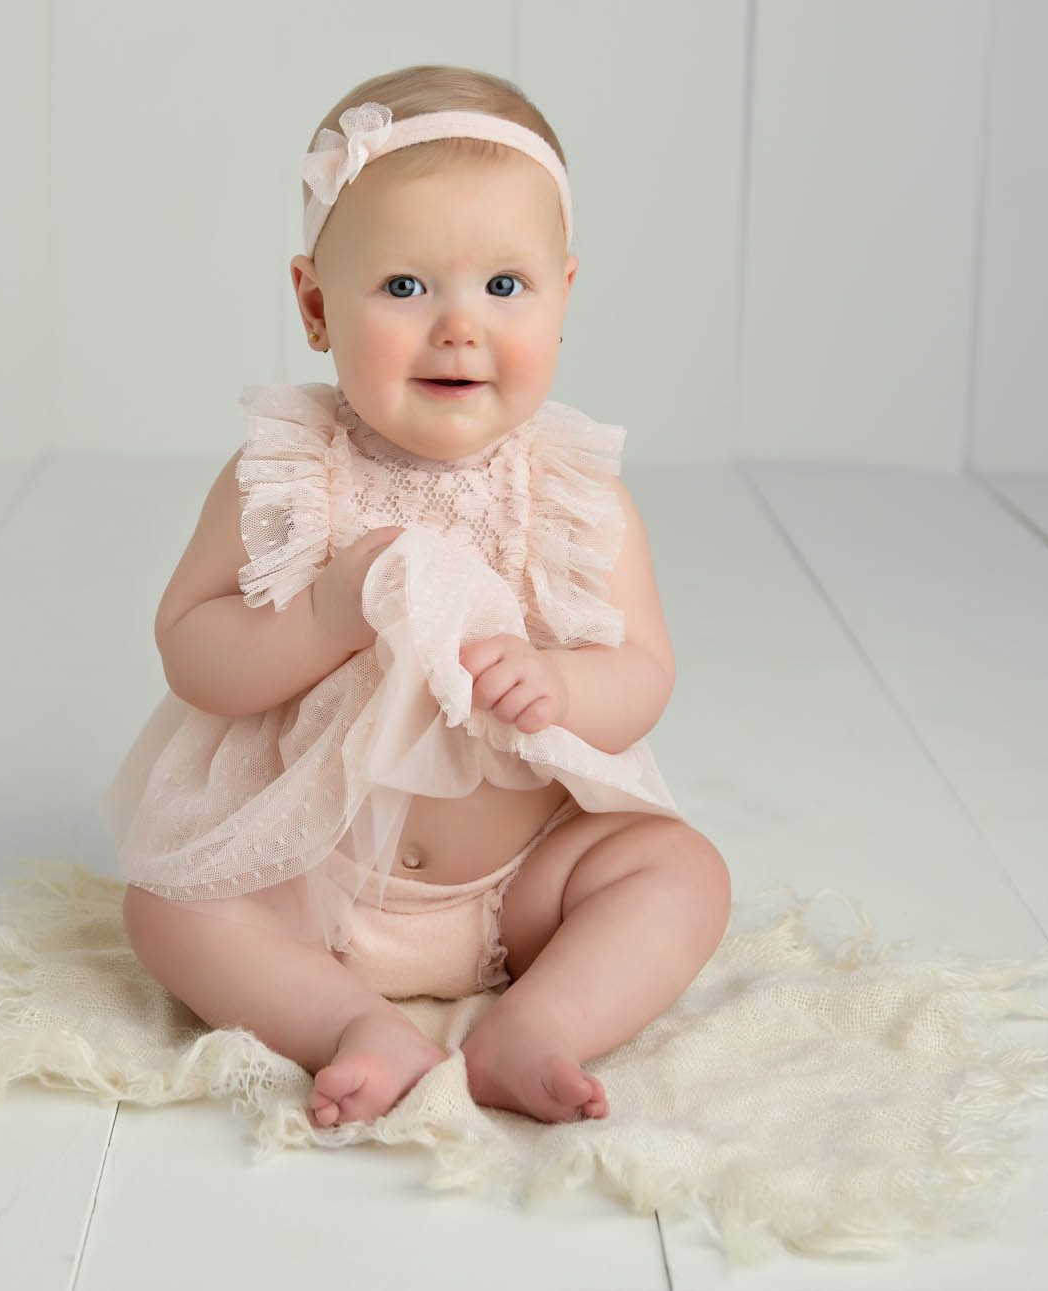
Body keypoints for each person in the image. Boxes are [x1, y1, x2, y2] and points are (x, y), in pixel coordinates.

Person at [106, 65, 732, 1130]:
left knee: (679, 872)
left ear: (563, 295)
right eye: (404, 288)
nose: (457, 326)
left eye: (503, 287)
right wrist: (317, 622)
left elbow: (643, 672)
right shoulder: (286, 473)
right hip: (301, 880)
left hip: (524, 880)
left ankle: (539, 1021)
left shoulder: (572, 491)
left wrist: (561, 682)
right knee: (167, 908)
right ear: (314, 305)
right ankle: (347, 1023)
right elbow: (190, 645)